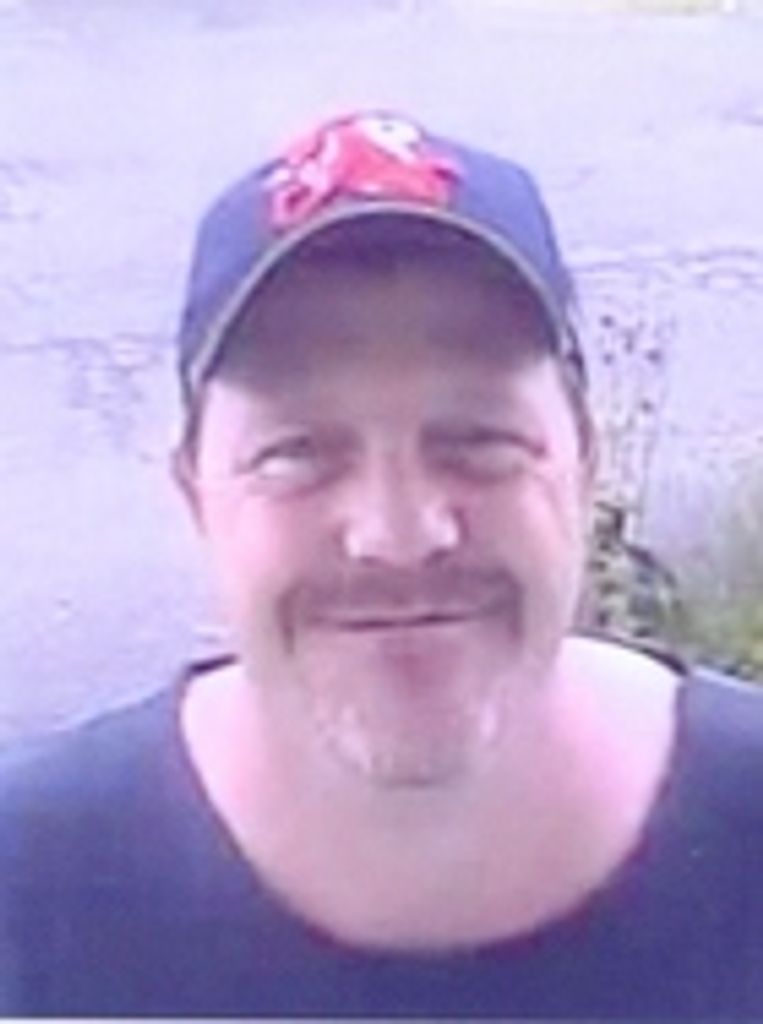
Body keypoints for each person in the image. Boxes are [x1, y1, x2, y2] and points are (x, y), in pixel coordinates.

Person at [2, 110, 763, 1019]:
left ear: (584, 466)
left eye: (477, 438)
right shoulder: (32, 893)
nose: (398, 534)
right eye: (295, 452)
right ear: (196, 495)